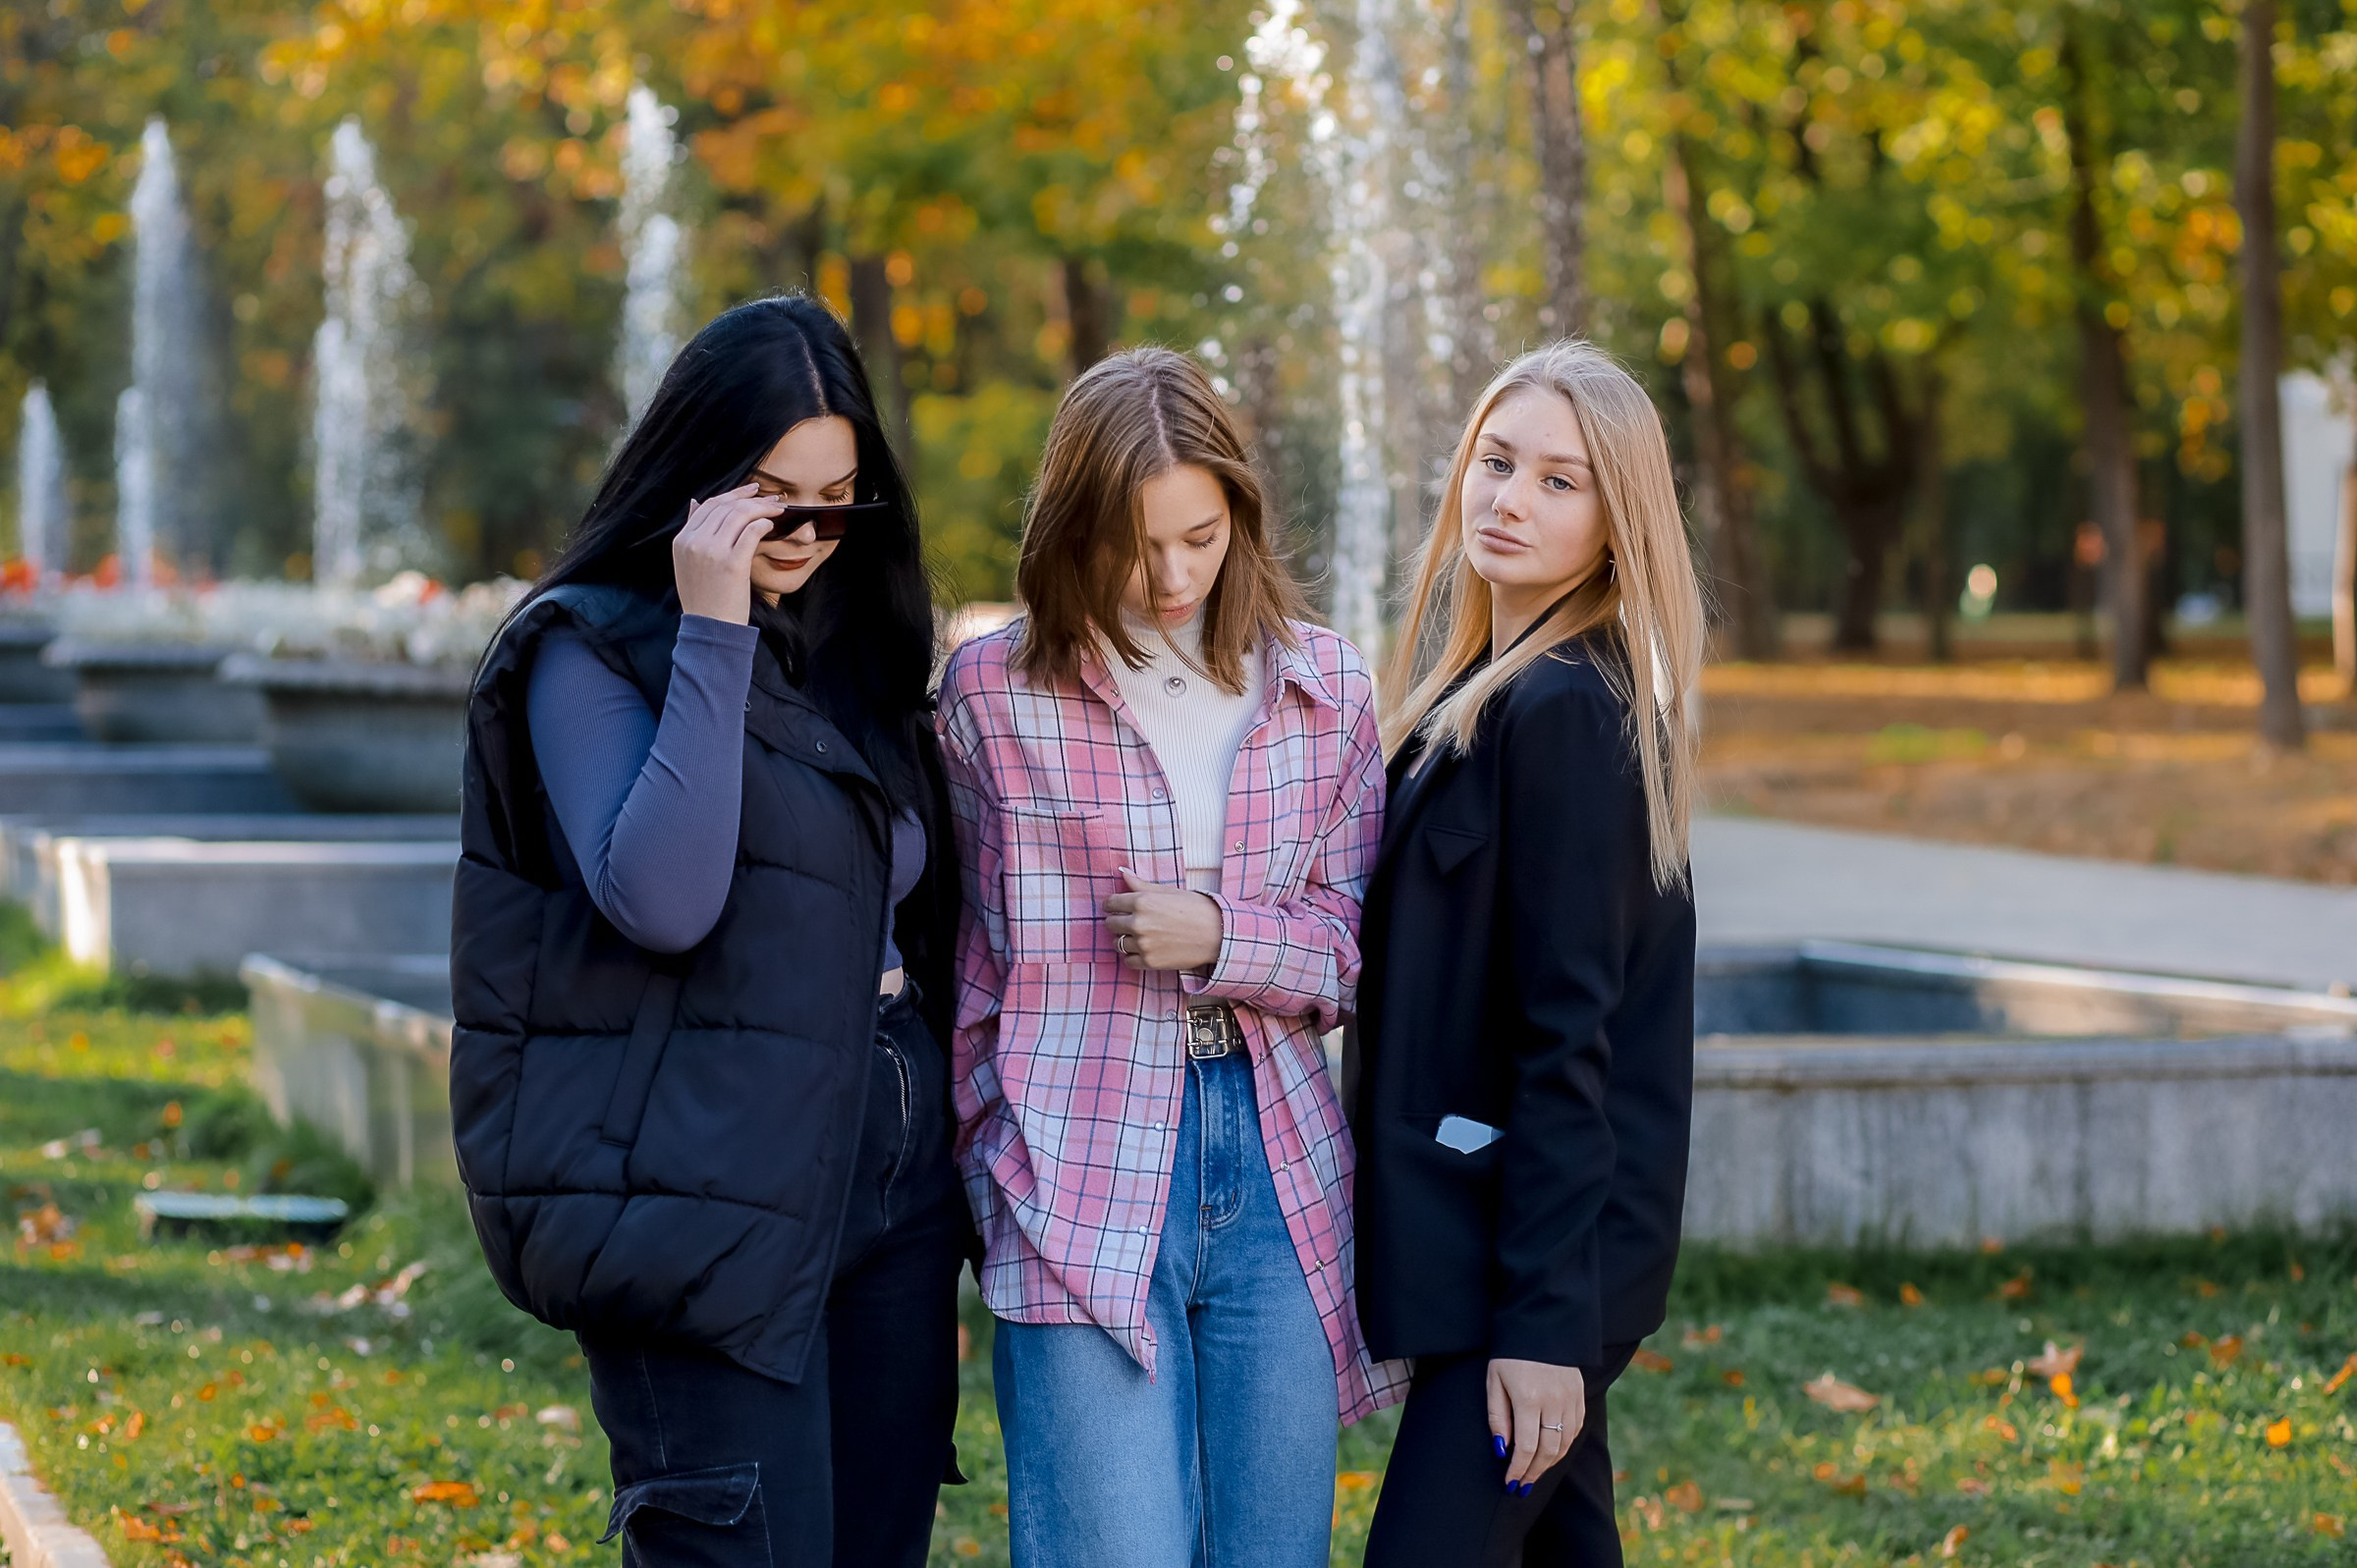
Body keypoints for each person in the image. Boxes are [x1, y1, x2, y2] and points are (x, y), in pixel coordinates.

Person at [448, 295, 966, 1567]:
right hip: (700, 1188)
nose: (805, 531)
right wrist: (714, 627)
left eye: (839, 499)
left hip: (887, 1181)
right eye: (771, 496)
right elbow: (664, 895)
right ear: (696, 477)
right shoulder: (584, 650)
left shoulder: (853, 650)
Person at [935, 347, 1403, 1568]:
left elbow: (1359, 952)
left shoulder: (1323, 685)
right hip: (1074, 1160)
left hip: (1279, 1161)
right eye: (1137, 546)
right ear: (1071, 528)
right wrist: (994, 1161)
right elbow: (964, 956)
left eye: (1201, 536)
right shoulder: (989, 694)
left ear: (1238, 512)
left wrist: (1223, 935)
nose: (1174, 575)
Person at [1349, 340, 1706, 1567]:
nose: (1509, 500)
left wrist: (1548, 1325)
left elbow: (1574, 1040)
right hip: (1484, 1244)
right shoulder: (1481, 692)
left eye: (1561, 481)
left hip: (1536, 1268)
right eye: (1497, 464)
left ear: (1619, 521)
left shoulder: (1567, 711)